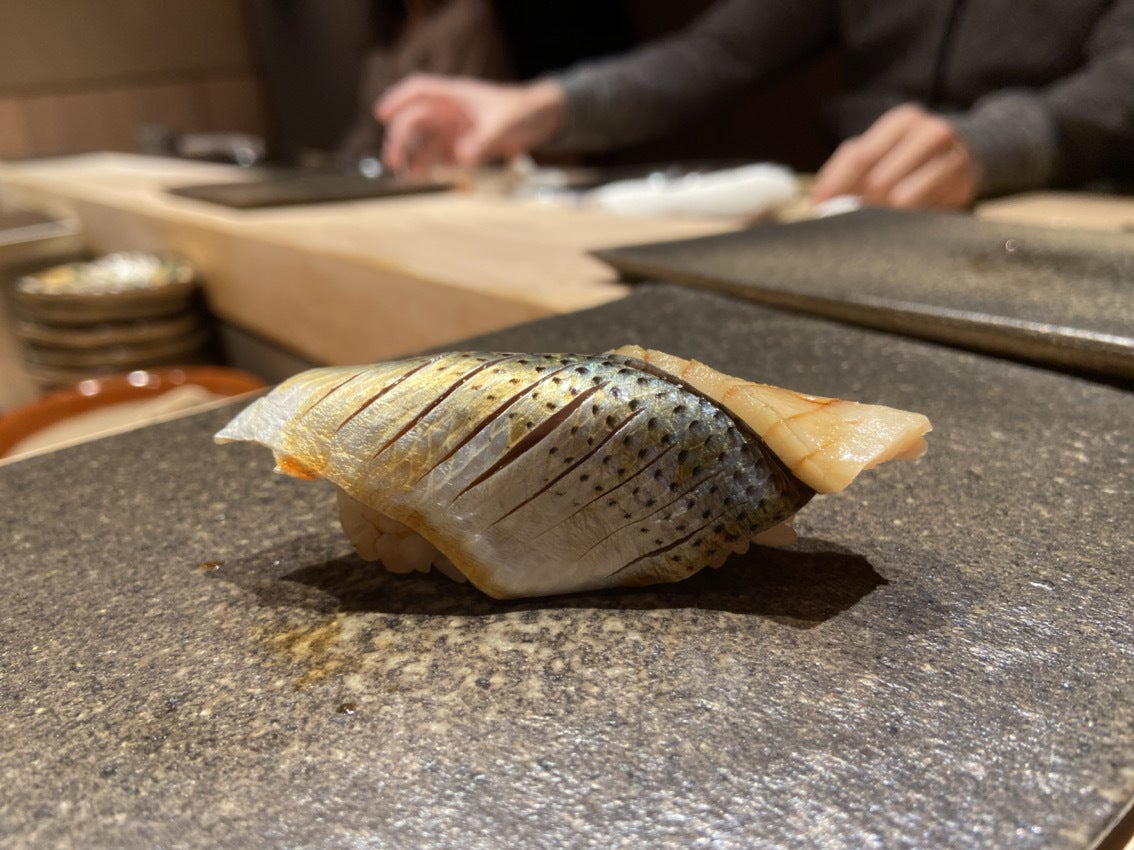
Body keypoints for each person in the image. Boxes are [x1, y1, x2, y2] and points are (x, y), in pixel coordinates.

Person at [376, 0, 1134, 210]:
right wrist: (543, 103)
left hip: (1056, 212)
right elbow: (717, 53)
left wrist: (997, 144)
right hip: (853, 210)